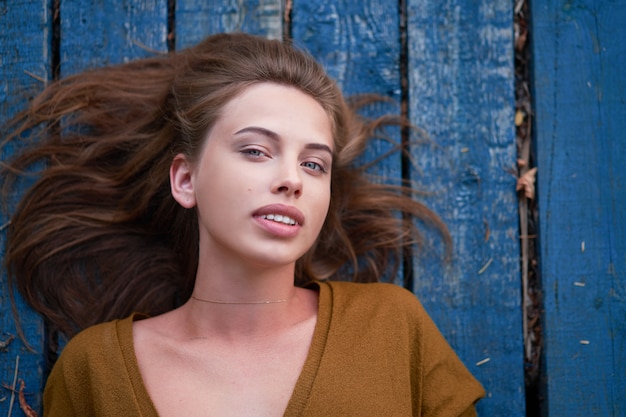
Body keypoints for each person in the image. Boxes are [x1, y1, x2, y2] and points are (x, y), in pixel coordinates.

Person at [1, 33, 485, 416]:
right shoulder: (94, 370)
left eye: (315, 164)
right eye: (256, 150)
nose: (291, 179)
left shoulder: (391, 328)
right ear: (186, 179)